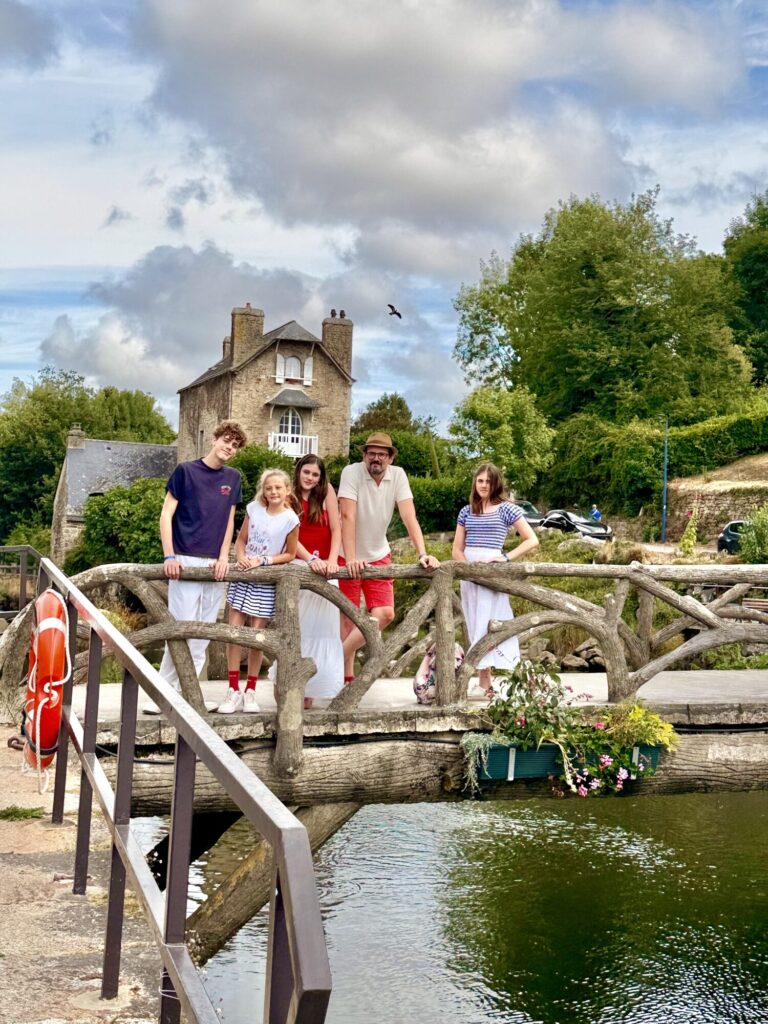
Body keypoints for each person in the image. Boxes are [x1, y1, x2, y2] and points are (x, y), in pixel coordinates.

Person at [151, 420, 246, 713]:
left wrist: (223, 557)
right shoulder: (186, 471)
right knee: (180, 628)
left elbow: (229, 521)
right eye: (226, 441)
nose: (229, 447)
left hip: (214, 564)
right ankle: (163, 694)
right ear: (214, 439)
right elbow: (166, 514)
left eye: (235, 445)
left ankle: (185, 693)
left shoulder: (233, 478)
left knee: (203, 632)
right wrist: (170, 556)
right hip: (185, 559)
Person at [337, 431, 439, 682]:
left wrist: (422, 553)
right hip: (346, 555)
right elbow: (347, 516)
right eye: (371, 453)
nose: (376, 458)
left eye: (382, 454)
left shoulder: (399, 475)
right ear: (364, 455)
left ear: (390, 458)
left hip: (379, 553)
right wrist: (351, 558)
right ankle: (346, 682)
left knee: (385, 614)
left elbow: (408, 516)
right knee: (347, 622)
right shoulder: (351, 473)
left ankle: (334, 659)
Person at [452, 463, 539, 699]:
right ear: (475, 483)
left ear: (495, 483)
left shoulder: (506, 509)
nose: (483, 485)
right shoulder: (466, 511)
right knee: (474, 622)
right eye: (480, 481)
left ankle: (513, 677)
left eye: (488, 481)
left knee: (493, 622)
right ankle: (483, 680)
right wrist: (469, 570)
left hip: (493, 571)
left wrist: (505, 557)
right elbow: (457, 549)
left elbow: (532, 539)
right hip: (470, 573)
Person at [218, 469, 299, 713]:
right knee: (234, 632)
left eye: (278, 488)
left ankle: (250, 690)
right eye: (268, 488)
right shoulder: (254, 509)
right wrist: (241, 558)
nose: (273, 492)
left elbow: (290, 554)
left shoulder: (291, 519)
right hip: (243, 577)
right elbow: (241, 540)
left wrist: (263, 561)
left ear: (287, 490)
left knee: (257, 637)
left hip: (265, 581)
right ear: (263, 490)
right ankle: (233, 689)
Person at [274, 454, 345, 708]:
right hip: (298, 563)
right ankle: (290, 684)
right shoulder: (288, 494)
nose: (311, 478)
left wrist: (332, 559)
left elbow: (337, 529)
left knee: (325, 628)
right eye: (307, 473)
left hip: (326, 566)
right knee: (298, 628)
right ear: (298, 471)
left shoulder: (326, 492)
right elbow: (289, 534)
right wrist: (311, 559)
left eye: (315, 474)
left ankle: (316, 685)